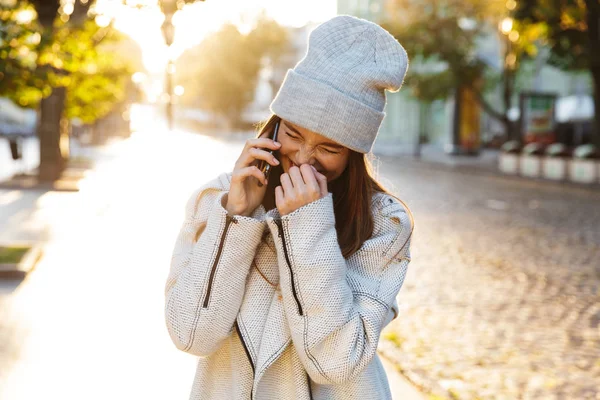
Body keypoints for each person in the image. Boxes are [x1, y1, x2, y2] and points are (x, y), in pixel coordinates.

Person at [164, 14, 414, 400]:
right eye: (293, 133)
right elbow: (190, 333)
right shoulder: (215, 200)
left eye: (330, 148)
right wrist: (236, 217)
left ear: (353, 154)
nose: (304, 157)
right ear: (276, 122)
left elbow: (336, 362)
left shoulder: (383, 224)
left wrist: (308, 224)